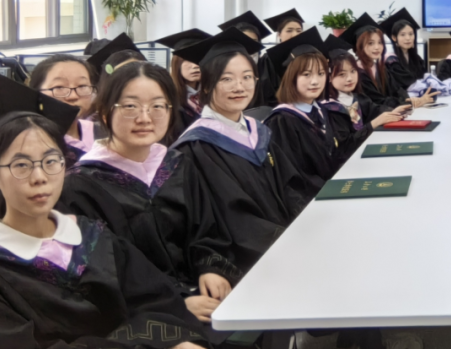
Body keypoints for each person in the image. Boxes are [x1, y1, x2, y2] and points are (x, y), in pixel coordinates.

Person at [0, 76, 243, 349]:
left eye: (51, 161)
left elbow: (154, 299)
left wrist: (176, 343)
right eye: (21, 165)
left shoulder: (91, 236)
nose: (40, 178)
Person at [57, 61, 230, 321]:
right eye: (130, 106)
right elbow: (99, 271)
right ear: (105, 112)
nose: (145, 118)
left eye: (158, 106)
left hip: (202, 294)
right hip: (143, 313)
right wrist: (176, 303)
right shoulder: (80, 187)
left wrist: (211, 267)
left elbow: (206, 229)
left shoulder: (177, 165)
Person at [171, 28, 309, 273]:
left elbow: (290, 185)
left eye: (247, 77)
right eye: (226, 79)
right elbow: (231, 218)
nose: (240, 87)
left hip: (289, 242)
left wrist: (305, 223)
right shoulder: (198, 146)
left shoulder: (259, 131)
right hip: (252, 262)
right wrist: (287, 241)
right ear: (206, 85)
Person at [263, 28, 341, 200]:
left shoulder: (321, 111)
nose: (315, 81)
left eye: (321, 73)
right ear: (290, 77)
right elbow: (293, 179)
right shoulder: (282, 121)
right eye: (306, 74)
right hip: (311, 201)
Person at [320, 50, 410, 170]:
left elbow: (376, 110)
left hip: (365, 155)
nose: (350, 78)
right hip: (346, 167)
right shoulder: (330, 108)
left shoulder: (357, 98)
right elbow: (344, 147)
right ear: (329, 77)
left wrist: (394, 111)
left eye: (353, 71)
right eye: (342, 74)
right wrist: (373, 124)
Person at [343, 14, 435, 110]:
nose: (377, 47)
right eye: (370, 43)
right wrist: (408, 103)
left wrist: (410, 100)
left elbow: (397, 91)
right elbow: (377, 101)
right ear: (359, 46)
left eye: (380, 42)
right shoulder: (358, 73)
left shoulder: (380, 68)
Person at [28, 53, 101, 163]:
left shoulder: (105, 134)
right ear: (36, 93)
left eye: (82, 86)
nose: (73, 96)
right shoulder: (28, 141)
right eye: (59, 87)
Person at [219, 11, 278, 107]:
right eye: (244, 41)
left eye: (254, 41)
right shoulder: (225, 69)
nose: (250, 45)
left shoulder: (267, 65)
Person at [159, 28, 213, 130]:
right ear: (177, 64)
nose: (195, 66)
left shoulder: (213, 94)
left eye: (199, 59)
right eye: (188, 60)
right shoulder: (167, 97)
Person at [380, 8, 428, 83]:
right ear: (394, 38)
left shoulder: (416, 58)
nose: (408, 38)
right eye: (403, 35)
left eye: (411, 34)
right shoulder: (391, 60)